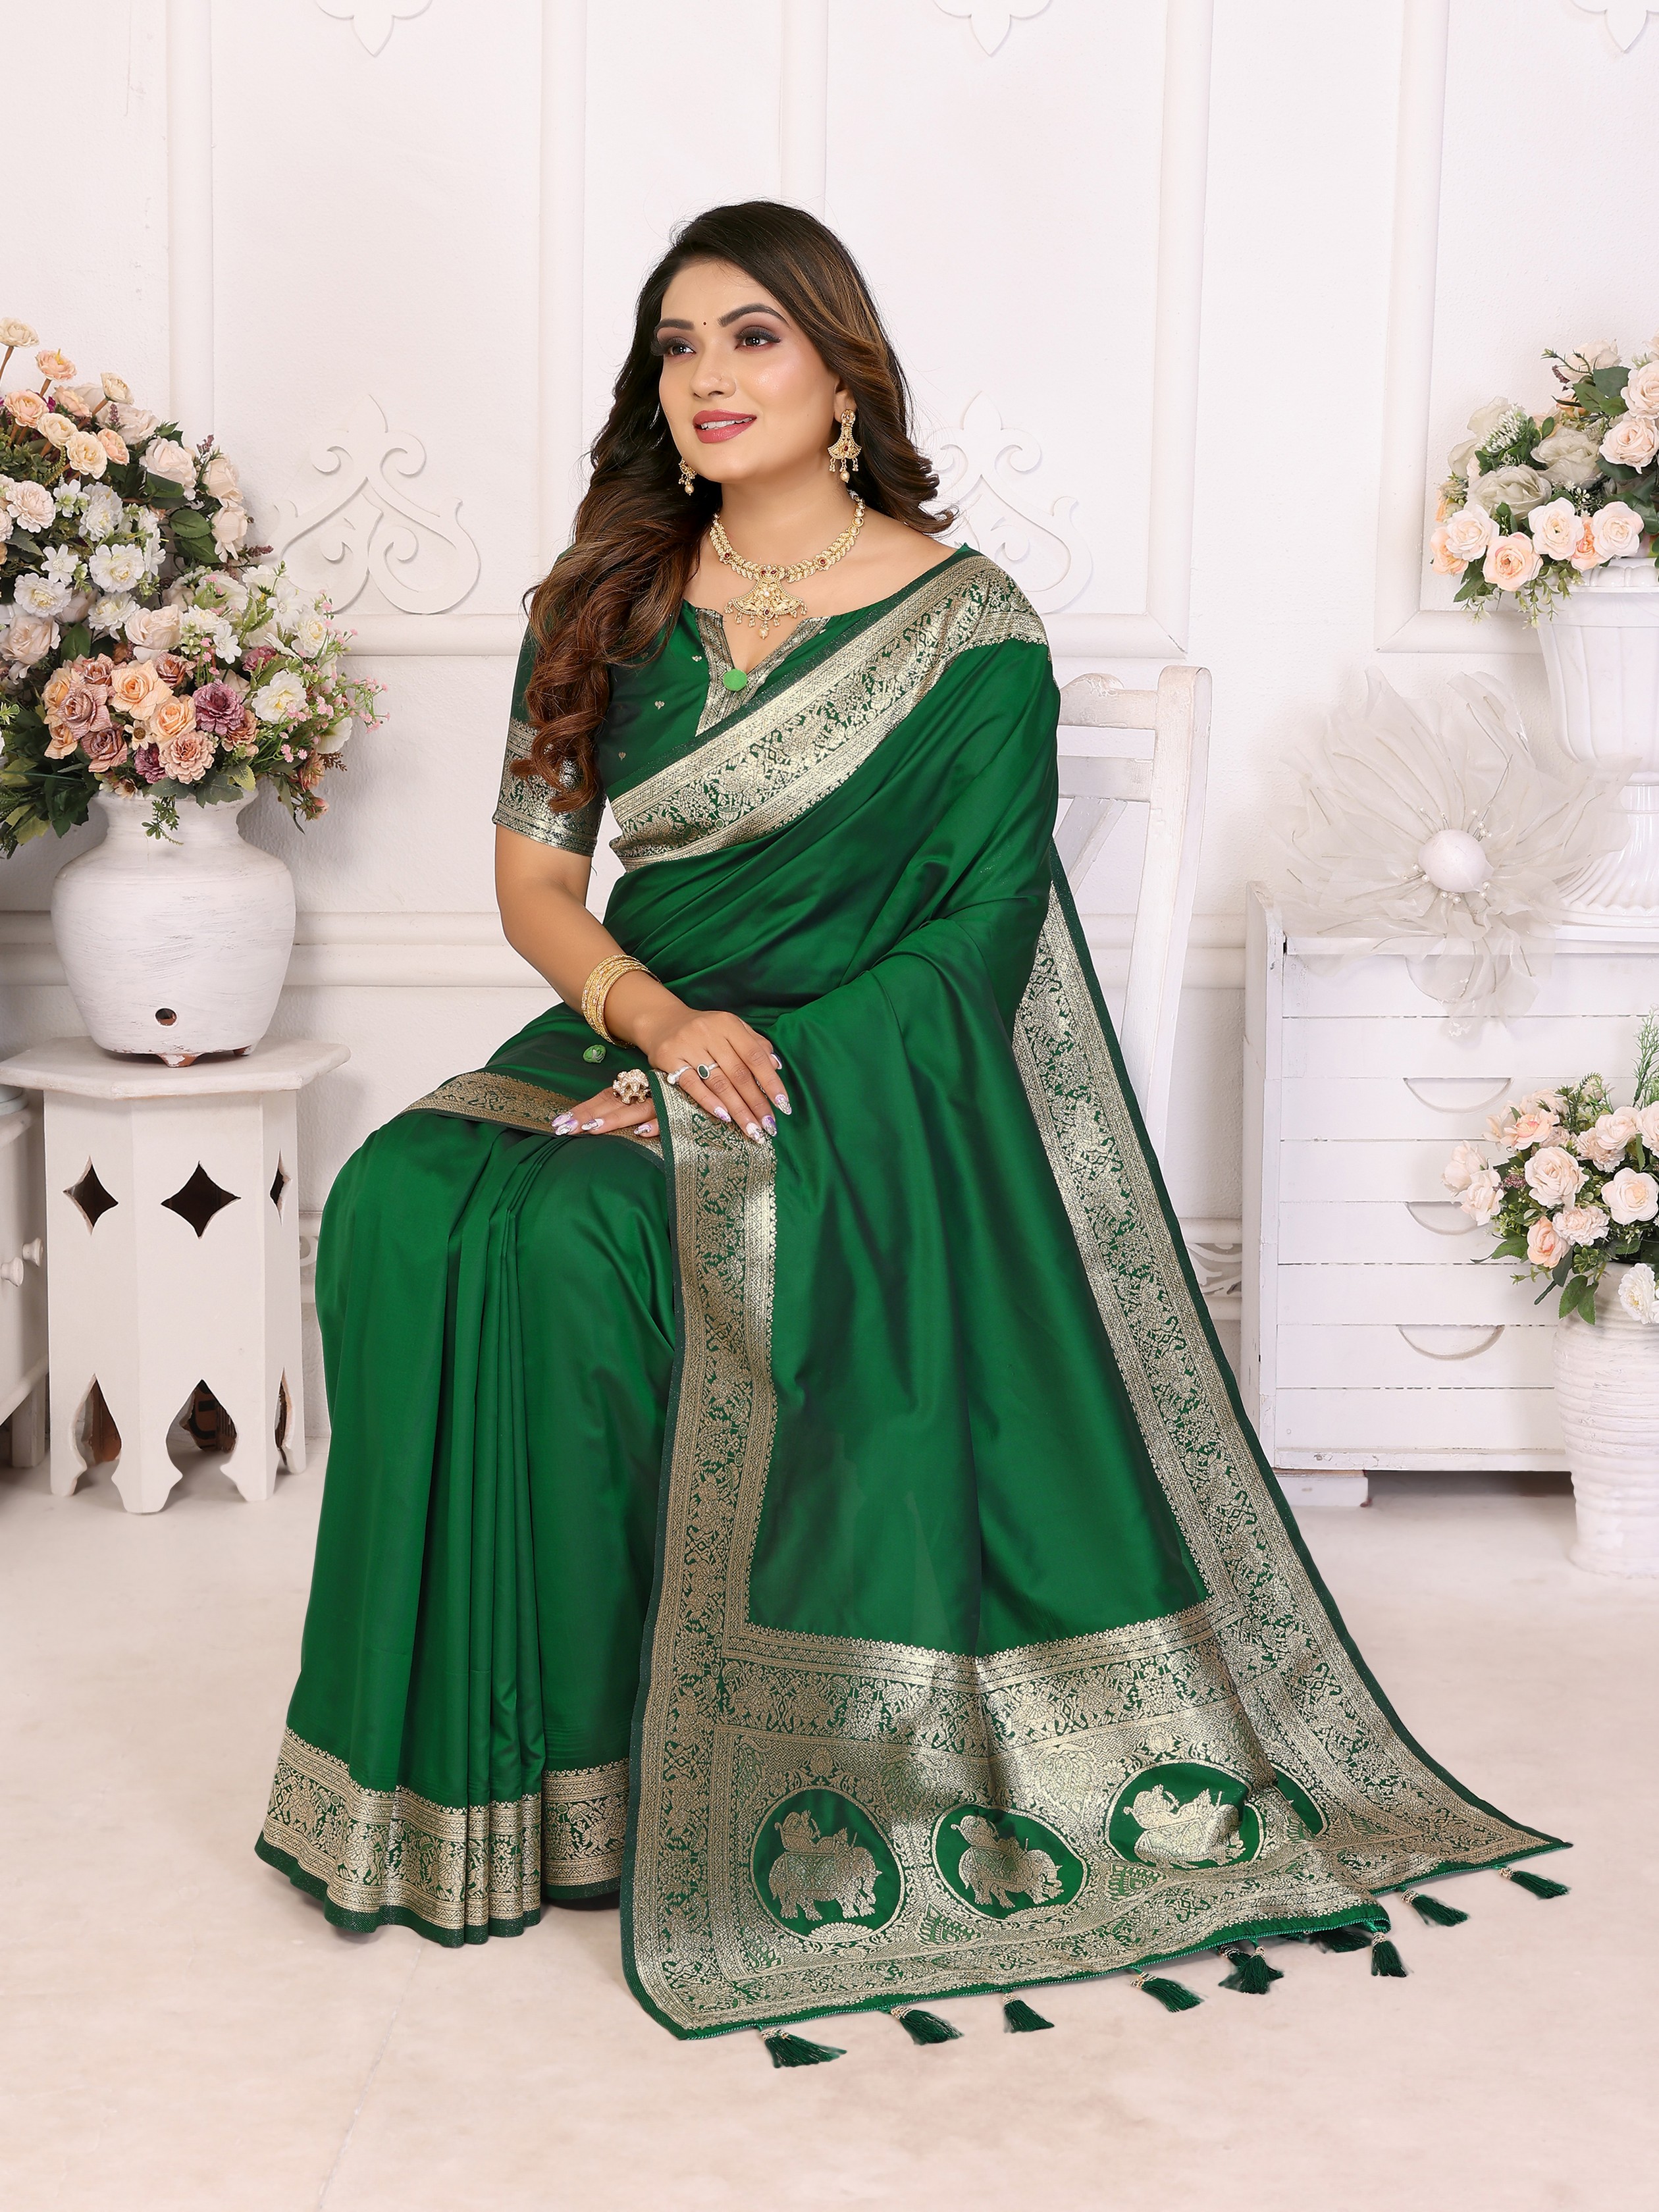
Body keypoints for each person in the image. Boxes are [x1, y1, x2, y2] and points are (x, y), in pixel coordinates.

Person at [257, 201, 1564, 2055]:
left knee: (572, 1236)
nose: (707, 378)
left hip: (858, 1080)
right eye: (678, 344)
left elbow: (969, 952)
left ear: (843, 370)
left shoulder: (971, 635)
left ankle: (619, 1772)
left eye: (753, 338)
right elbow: (536, 887)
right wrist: (655, 1027)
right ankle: (467, 1783)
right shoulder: (600, 599)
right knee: (402, 1196)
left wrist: (730, 1082)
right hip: (636, 1019)